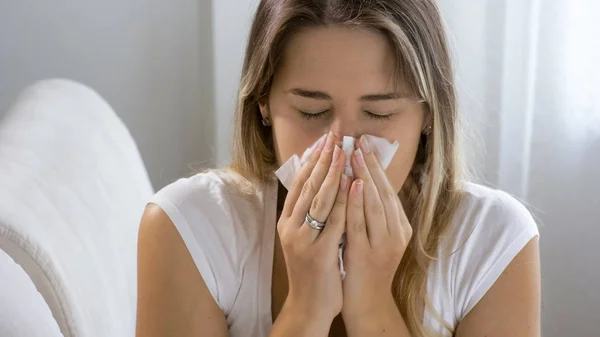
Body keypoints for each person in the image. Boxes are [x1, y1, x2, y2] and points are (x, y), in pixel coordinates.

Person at [135, 1, 541, 336]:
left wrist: (372, 306)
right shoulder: (189, 229)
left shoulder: (492, 241)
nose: (344, 149)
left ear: (429, 116)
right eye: (312, 111)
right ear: (263, 103)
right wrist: (307, 309)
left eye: (378, 113)